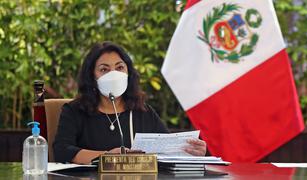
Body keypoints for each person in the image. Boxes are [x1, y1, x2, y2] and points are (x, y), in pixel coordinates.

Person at [53, 41, 207, 164]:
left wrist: (191, 151)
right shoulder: (74, 111)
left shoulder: (142, 111)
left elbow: (167, 150)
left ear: (128, 73)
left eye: (119, 67)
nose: (114, 74)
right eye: (104, 69)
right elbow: (61, 150)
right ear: (92, 77)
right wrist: (106, 157)